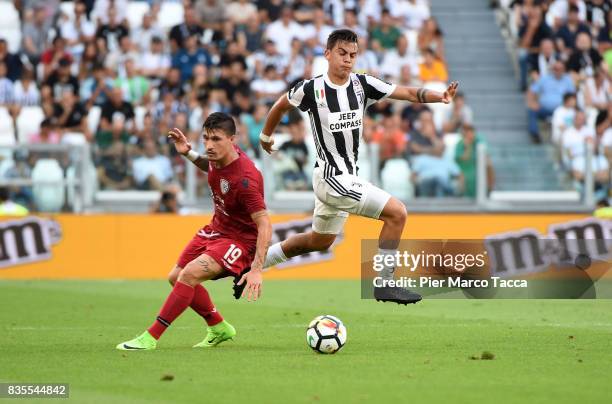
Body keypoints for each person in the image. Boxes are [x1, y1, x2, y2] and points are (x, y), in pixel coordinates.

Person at [258, 29, 458, 305]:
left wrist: (439, 96)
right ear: (327, 54)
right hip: (331, 177)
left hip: (343, 178)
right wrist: (266, 135)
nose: (348, 60)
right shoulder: (311, 89)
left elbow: (407, 92)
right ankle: (385, 283)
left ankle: (255, 264)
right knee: (397, 213)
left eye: (353, 54)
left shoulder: (363, 85)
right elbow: (280, 105)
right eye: (342, 53)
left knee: (318, 242)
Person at [116, 113, 272, 350]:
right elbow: (209, 165)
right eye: (206, 138)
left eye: (216, 139)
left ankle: (150, 337)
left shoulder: (246, 179)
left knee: (188, 275)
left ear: (233, 139)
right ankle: (218, 327)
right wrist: (188, 153)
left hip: (240, 241)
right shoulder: (217, 157)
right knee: (175, 277)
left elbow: (264, 223)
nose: (209, 145)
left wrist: (257, 269)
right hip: (216, 228)